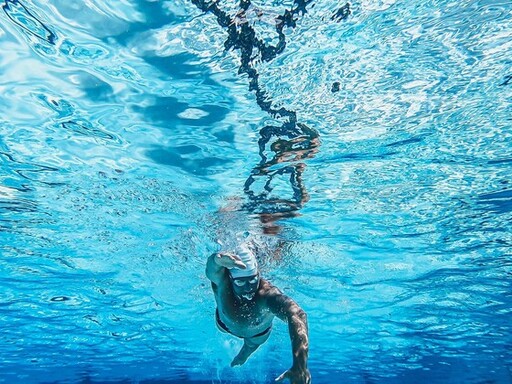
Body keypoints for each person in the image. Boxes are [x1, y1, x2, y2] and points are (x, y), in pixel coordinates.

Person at [205, 241, 311, 384]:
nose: (249, 287)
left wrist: (300, 365)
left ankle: (245, 353)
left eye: (253, 279)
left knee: (251, 345)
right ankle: (244, 352)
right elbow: (212, 269)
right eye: (241, 283)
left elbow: (297, 315)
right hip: (224, 325)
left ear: (259, 274)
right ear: (230, 279)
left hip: (256, 335)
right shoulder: (222, 282)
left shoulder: (267, 295)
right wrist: (217, 259)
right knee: (246, 342)